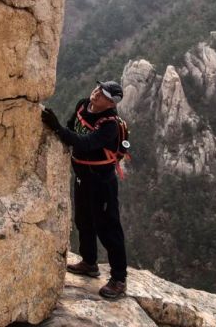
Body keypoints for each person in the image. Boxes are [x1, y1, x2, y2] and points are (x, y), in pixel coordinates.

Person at [41, 80, 128, 300]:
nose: (96, 93)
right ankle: (89, 263)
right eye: (98, 88)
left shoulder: (110, 125)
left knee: (108, 228)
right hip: (82, 177)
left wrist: (57, 128)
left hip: (102, 182)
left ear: (111, 103)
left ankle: (119, 279)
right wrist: (61, 130)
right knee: (83, 221)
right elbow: (72, 127)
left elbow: (85, 143)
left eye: (103, 94)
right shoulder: (83, 105)